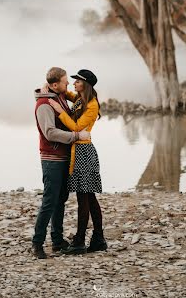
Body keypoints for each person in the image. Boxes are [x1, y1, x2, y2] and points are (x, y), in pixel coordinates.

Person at [32, 66, 91, 259]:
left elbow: (79, 101)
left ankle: (57, 241)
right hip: (52, 159)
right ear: (55, 84)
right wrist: (76, 135)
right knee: (49, 201)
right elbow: (50, 132)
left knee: (60, 200)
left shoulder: (58, 95)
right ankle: (37, 244)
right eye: (65, 82)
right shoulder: (44, 104)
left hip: (63, 157)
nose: (68, 85)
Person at [48, 68, 107, 255]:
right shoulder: (81, 99)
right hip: (79, 152)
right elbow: (67, 93)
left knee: (84, 198)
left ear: (86, 84)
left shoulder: (92, 105)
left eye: (77, 81)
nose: (74, 83)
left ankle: (80, 241)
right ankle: (98, 239)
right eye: (72, 81)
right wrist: (49, 87)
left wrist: (59, 110)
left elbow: (76, 127)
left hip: (84, 152)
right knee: (89, 197)